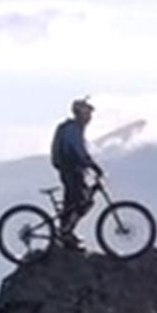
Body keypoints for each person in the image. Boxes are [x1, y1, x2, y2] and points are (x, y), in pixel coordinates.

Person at [49, 97, 103, 247]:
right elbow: (78, 151)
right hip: (71, 169)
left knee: (73, 202)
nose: (89, 117)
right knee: (81, 201)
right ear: (80, 113)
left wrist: (89, 164)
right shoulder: (74, 129)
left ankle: (66, 232)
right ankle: (66, 232)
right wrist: (93, 165)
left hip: (70, 169)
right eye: (87, 113)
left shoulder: (73, 128)